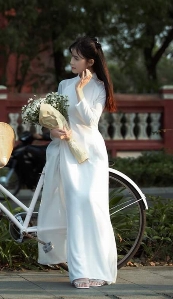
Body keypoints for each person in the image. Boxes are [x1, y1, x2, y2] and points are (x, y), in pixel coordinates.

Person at [37, 36, 117, 289]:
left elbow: (90, 121)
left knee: (93, 206)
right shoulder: (63, 84)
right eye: (71, 56)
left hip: (91, 152)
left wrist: (81, 91)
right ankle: (79, 270)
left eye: (76, 57)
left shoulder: (100, 88)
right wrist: (54, 133)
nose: (71, 61)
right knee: (74, 207)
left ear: (90, 61)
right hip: (68, 152)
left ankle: (101, 268)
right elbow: (57, 121)